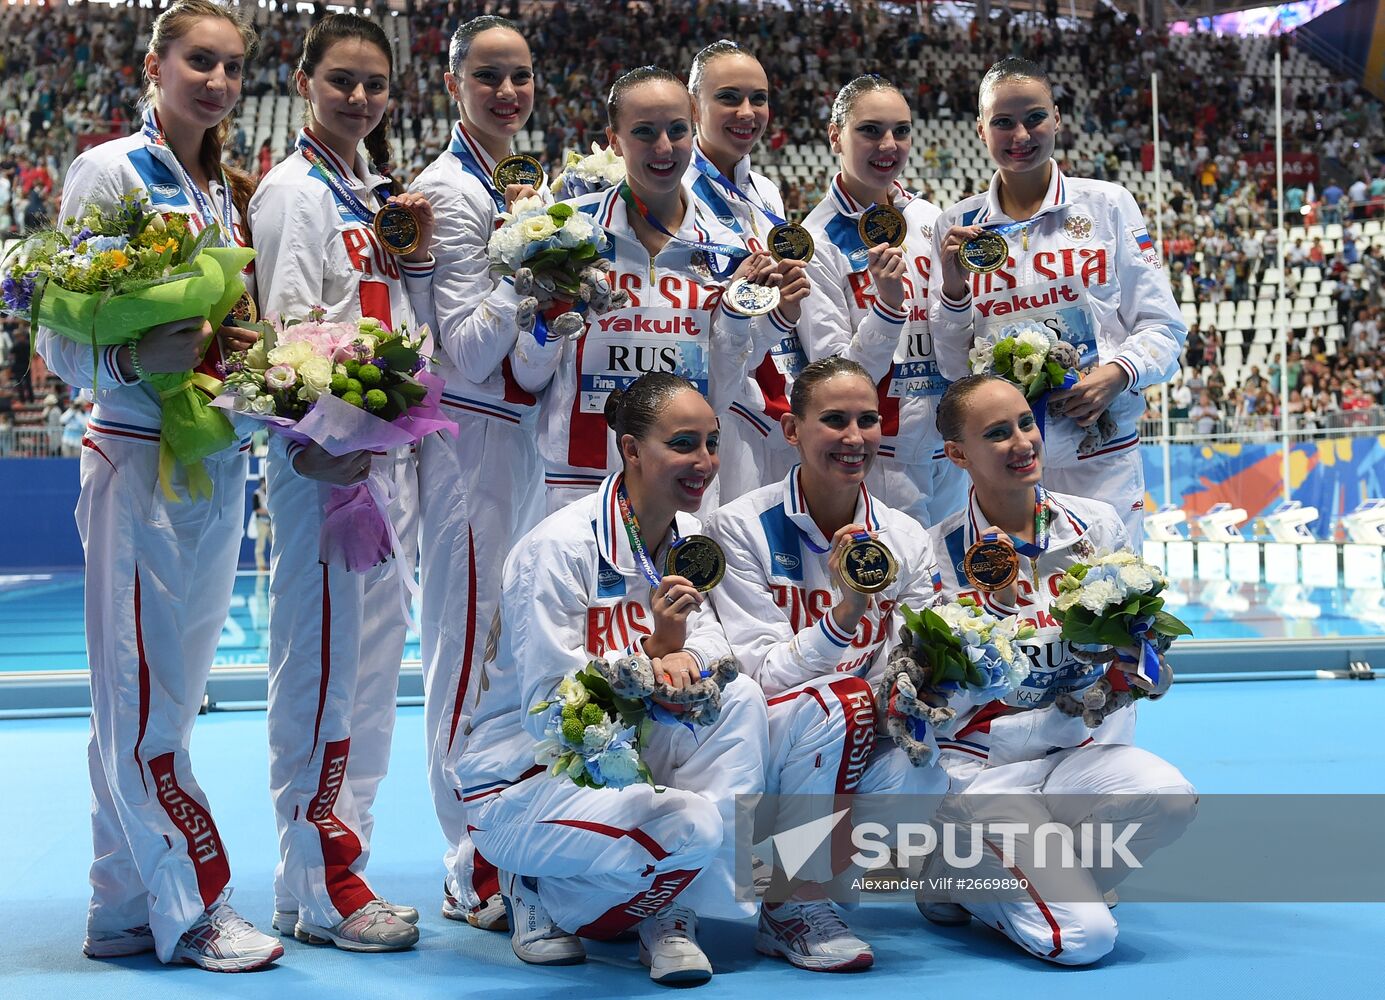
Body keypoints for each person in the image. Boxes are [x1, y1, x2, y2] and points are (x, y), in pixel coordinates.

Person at [34, 0, 282, 972]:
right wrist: (133, 360)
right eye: (199, 62)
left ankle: (122, 904)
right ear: (154, 64)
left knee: (163, 704)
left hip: (215, 459)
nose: (216, 82)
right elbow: (59, 339)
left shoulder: (221, 188)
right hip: (136, 454)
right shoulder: (109, 171)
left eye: (230, 67)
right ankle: (192, 906)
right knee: (138, 699)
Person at [457, 373, 769, 985]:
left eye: (712, 442)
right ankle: (538, 890)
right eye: (683, 444)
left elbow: (710, 646)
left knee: (742, 698)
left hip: (632, 762)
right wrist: (653, 655)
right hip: (525, 781)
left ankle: (666, 911)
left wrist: (687, 662)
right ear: (630, 450)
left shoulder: (691, 540)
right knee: (695, 828)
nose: (704, 462)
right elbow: (552, 709)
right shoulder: (559, 548)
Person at [249, 12, 437, 953]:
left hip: (382, 456)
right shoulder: (295, 192)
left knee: (367, 677)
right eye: (341, 81)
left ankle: (324, 872)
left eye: (373, 84)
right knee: (323, 674)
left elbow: (390, 317)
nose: (358, 98)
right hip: (326, 466)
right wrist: (316, 440)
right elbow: (284, 333)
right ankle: (321, 878)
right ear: (303, 80)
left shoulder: (372, 194)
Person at [922, 374, 1196, 965]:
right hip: (984, 774)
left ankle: (995, 876)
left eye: (1026, 423)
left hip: (1073, 758)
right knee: (1085, 941)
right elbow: (924, 695)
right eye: (998, 433)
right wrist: (985, 619)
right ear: (958, 454)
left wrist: (1137, 663)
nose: (1023, 441)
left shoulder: (1095, 526)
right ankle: (955, 865)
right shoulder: (934, 555)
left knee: (1169, 796)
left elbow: (1145, 655)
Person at [707, 356, 949, 972]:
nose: (854, 438)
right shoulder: (740, 527)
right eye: (834, 420)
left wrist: (926, 680)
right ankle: (793, 899)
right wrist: (846, 614)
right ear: (792, 430)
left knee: (925, 773)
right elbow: (759, 675)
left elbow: (918, 656)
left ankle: (798, 881)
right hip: (761, 743)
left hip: (850, 735)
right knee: (838, 698)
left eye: (867, 421)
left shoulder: (905, 537)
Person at [509, 65, 805, 514]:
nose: (664, 147)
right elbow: (529, 377)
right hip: (581, 480)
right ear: (613, 139)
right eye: (644, 131)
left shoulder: (729, 250)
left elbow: (719, 397)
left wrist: (739, 316)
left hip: (685, 483)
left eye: (677, 129)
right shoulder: (565, 230)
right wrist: (546, 328)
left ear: (694, 128)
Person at [407, 13, 549, 933]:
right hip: (464, 442)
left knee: (510, 652)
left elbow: (527, 362)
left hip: (522, 436)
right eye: (489, 76)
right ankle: (466, 861)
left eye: (521, 76)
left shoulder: (518, 184)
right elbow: (462, 351)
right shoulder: (448, 191)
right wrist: (526, 274)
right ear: (454, 83)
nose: (507, 91)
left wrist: (552, 313)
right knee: (463, 653)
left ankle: (501, 842)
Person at [932, 58, 1186, 539]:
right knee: (1011, 607)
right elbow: (950, 363)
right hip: (1004, 459)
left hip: (1100, 451)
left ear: (1057, 118)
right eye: (1003, 122)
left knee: (1109, 600)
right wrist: (951, 288)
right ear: (981, 129)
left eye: (1034, 117)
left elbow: (1164, 327)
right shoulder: (956, 225)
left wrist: (1117, 374)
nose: (1021, 135)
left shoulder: (1108, 204)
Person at [799, 75, 962, 528]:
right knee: (894, 591)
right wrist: (888, 312)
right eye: (870, 130)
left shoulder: (931, 219)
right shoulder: (816, 241)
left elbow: (954, 337)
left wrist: (955, 292)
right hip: (882, 454)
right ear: (836, 136)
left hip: (950, 443)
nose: (888, 144)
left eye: (901, 130)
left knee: (954, 588)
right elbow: (834, 377)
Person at [684, 40, 807, 502]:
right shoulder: (673, 190)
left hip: (766, 393)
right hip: (710, 398)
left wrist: (785, 304)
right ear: (694, 103)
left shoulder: (767, 192)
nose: (747, 111)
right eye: (729, 97)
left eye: (759, 98)